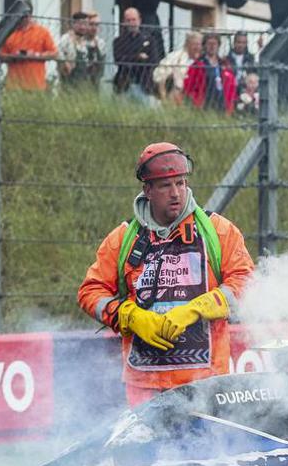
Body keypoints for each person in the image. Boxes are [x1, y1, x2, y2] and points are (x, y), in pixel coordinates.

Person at [77, 143, 255, 405]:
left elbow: (246, 282)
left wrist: (197, 308)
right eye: (165, 186)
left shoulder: (218, 231)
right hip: (144, 385)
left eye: (181, 183)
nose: (176, 193)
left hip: (208, 382)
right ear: (147, 190)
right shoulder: (122, 239)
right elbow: (90, 292)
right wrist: (130, 316)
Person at [0, 0, 57, 91]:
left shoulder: (42, 32)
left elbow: (54, 53)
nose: (22, 19)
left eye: (24, 16)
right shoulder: (9, 33)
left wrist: (35, 55)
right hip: (14, 86)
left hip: (36, 86)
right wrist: (14, 57)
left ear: (30, 15)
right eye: (19, 16)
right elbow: (1, 56)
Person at [112, 6, 164, 102]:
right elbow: (118, 60)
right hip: (124, 85)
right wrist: (138, 57)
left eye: (134, 20)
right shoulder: (118, 41)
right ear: (124, 22)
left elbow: (154, 61)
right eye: (128, 20)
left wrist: (130, 60)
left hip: (144, 84)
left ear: (139, 20)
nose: (132, 23)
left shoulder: (149, 40)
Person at [183, 32, 236, 113]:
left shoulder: (224, 64)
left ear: (218, 45)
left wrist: (230, 105)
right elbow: (189, 87)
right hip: (204, 105)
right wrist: (196, 102)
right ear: (204, 46)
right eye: (209, 44)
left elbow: (231, 86)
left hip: (222, 104)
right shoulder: (198, 65)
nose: (212, 46)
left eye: (215, 44)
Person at [57, 10, 105, 91]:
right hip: (70, 87)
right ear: (73, 24)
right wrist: (64, 63)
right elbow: (56, 52)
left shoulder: (88, 41)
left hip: (90, 86)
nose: (82, 27)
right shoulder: (66, 39)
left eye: (85, 24)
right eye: (80, 24)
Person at [154, 32, 201, 103]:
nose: (197, 47)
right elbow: (159, 76)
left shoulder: (202, 60)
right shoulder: (175, 57)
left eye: (199, 44)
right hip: (177, 94)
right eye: (195, 44)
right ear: (187, 44)